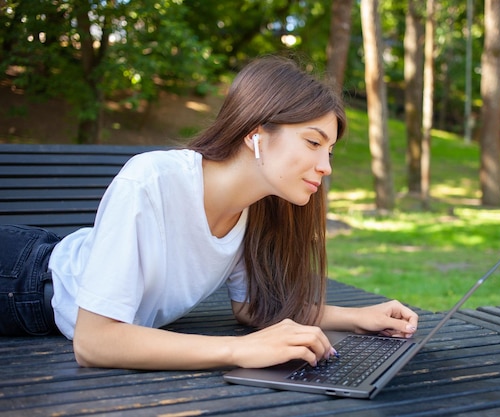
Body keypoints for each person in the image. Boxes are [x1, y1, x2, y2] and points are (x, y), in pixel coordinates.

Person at [0, 56, 418, 370]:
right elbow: (94, 342)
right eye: (313, 142)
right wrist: (237, 351)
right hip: (23, 279)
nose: (326, 167)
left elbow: (253, 307)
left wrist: (358, 318)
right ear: (256, 133)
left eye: (329, 151)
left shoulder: (257, 207)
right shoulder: (152, 181)